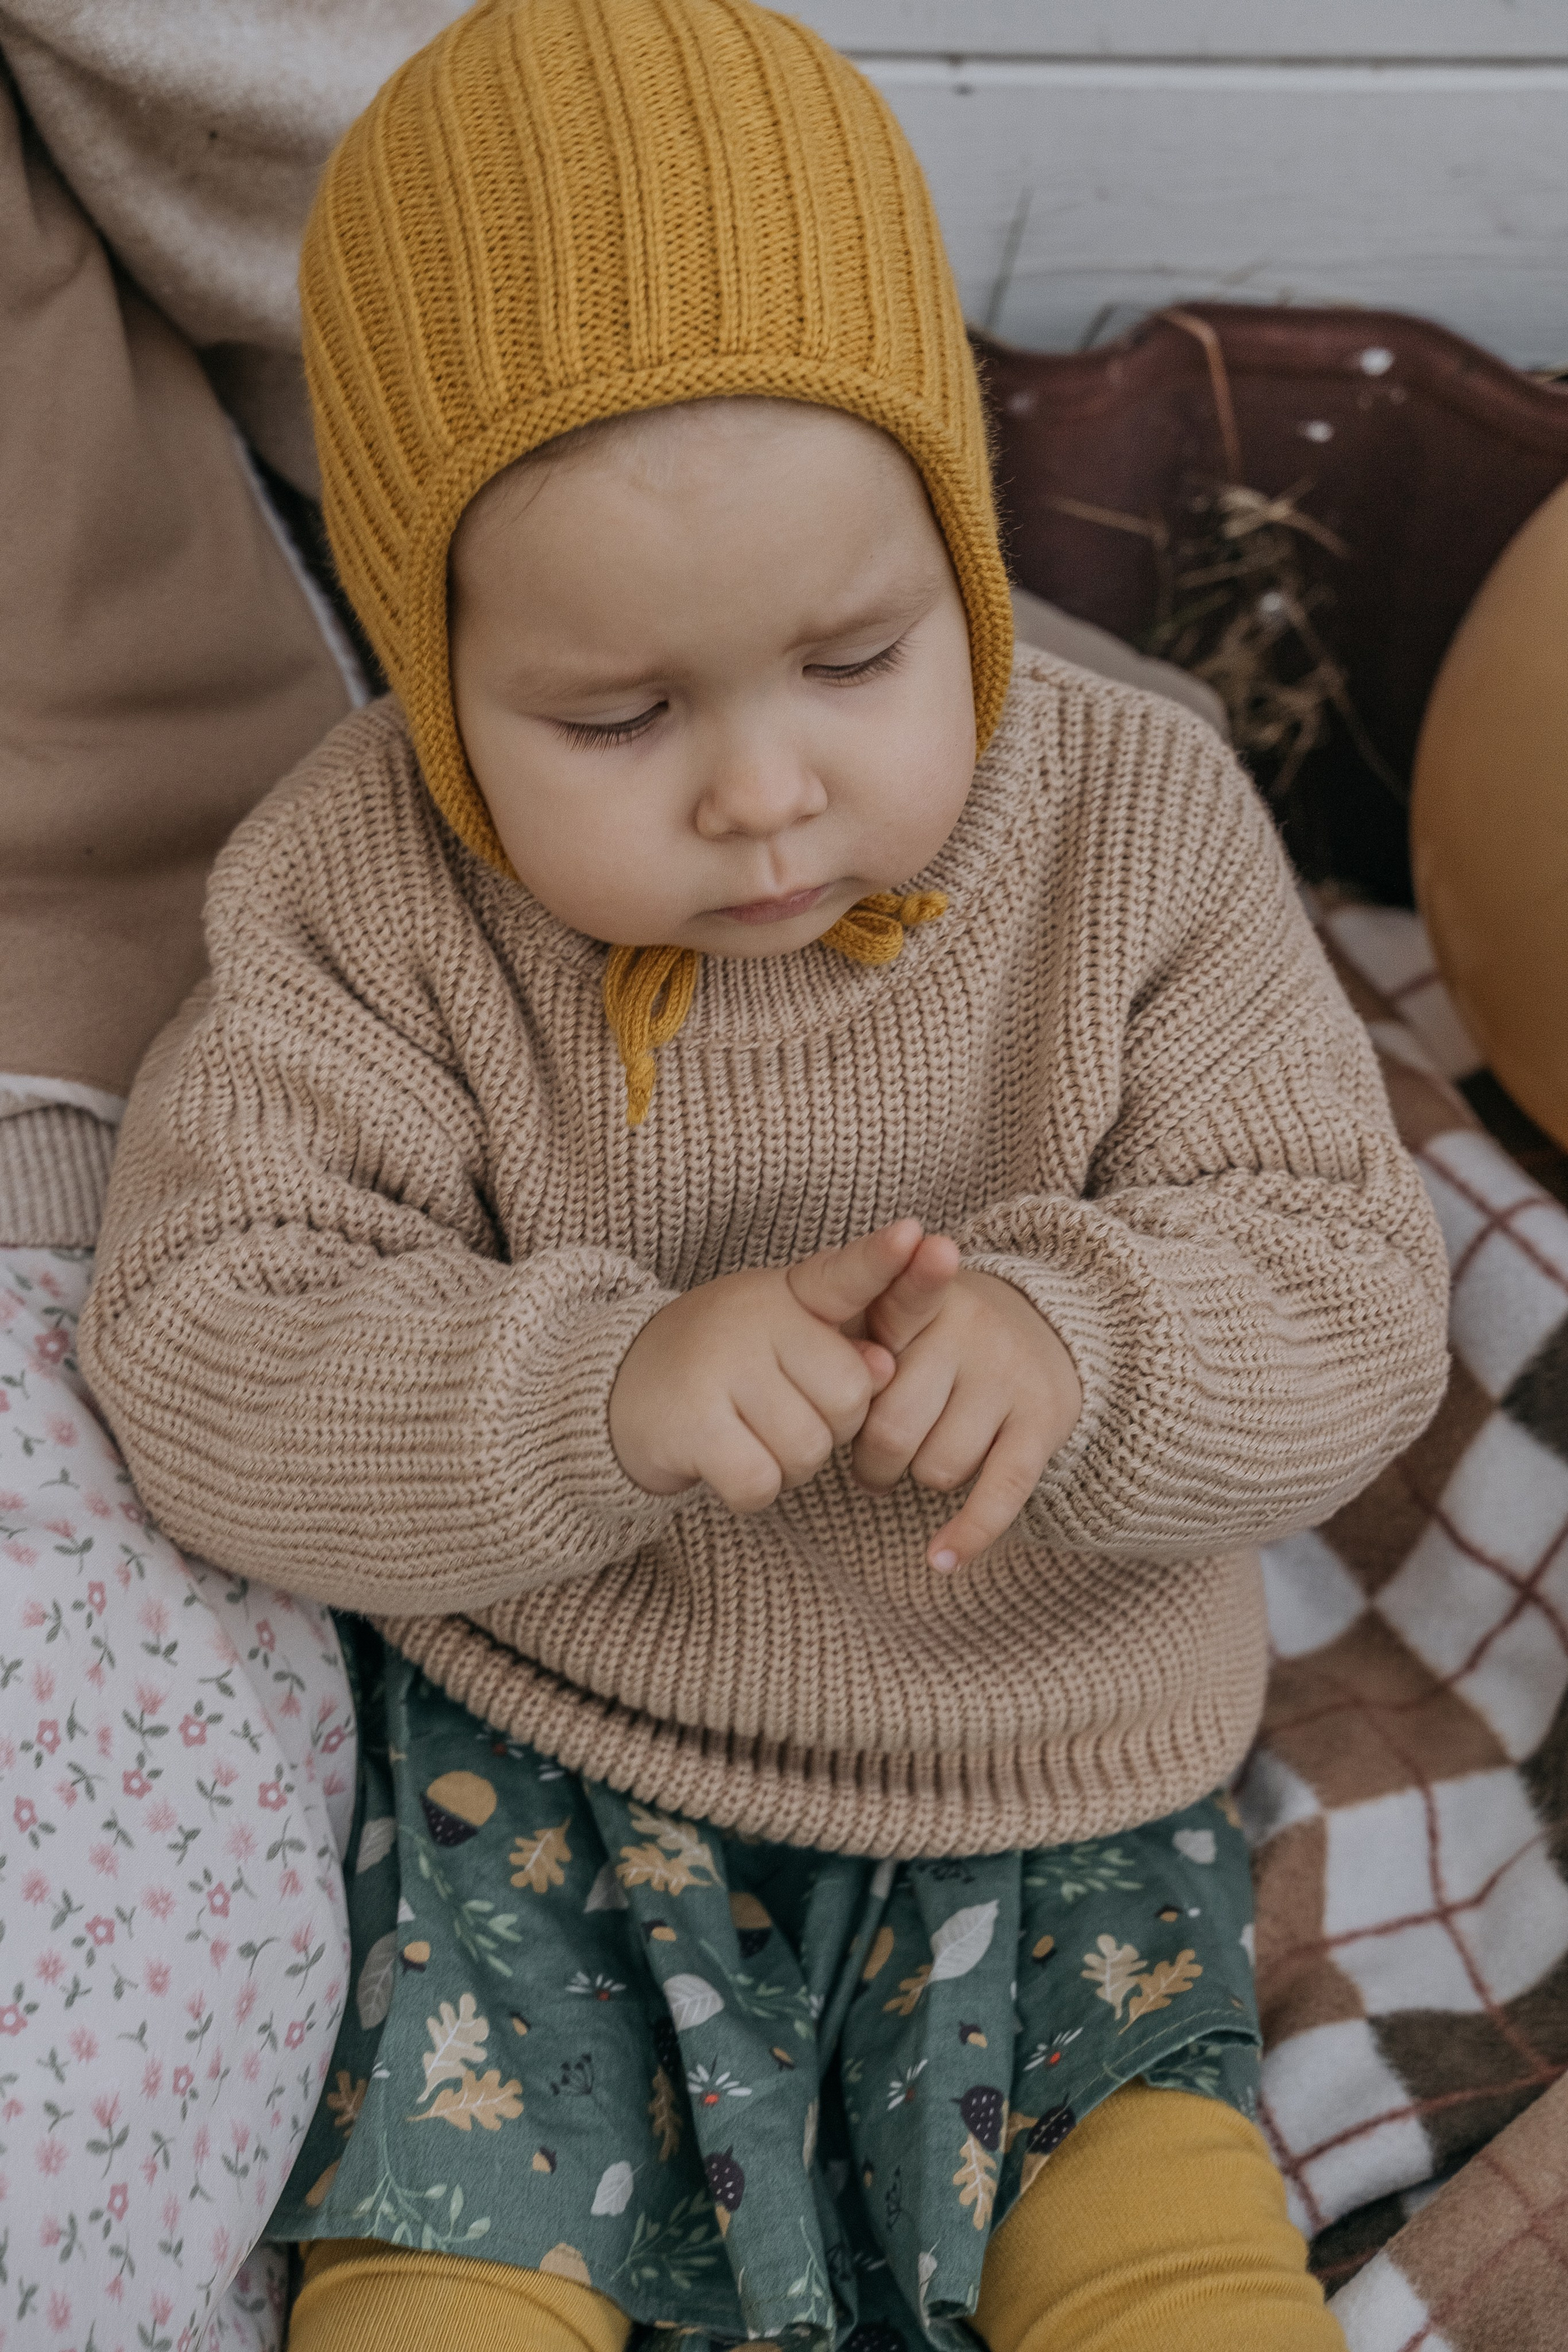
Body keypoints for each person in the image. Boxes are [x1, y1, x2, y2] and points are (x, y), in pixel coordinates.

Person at [79, 3, 1449, 2346]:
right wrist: (587, 1392)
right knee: (432, 2275)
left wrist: (1092, 1336)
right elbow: (208, 1335)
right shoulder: (360, 889)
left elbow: (1347, 1285)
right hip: (554, 1782)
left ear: (969, 555)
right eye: (614, 716)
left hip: (1054, 1769)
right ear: (426, 662)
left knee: (1157, 2248)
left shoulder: (1136, 826)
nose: (761, 796)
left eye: (856, 656)